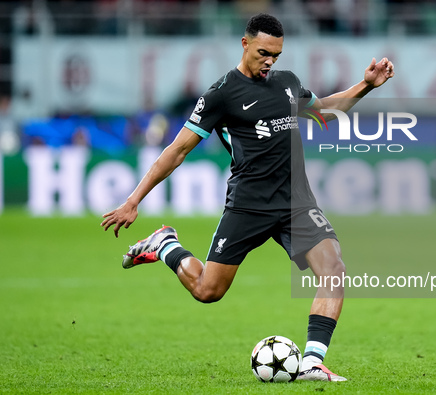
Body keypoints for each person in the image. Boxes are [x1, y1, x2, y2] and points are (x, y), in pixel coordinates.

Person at [101, 13, 394, 382]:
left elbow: (323, 114)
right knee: (208, 291)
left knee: (334, 269)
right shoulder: (221, 95)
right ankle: (165, 245)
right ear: (245, 44)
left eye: (276, 54)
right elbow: (176, 150)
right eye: (263, 52)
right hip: (248, 204)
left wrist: (365, 85)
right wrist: (134, 199)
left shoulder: (287, 83)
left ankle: (313, 361)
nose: (269, 60)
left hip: (295, 203)